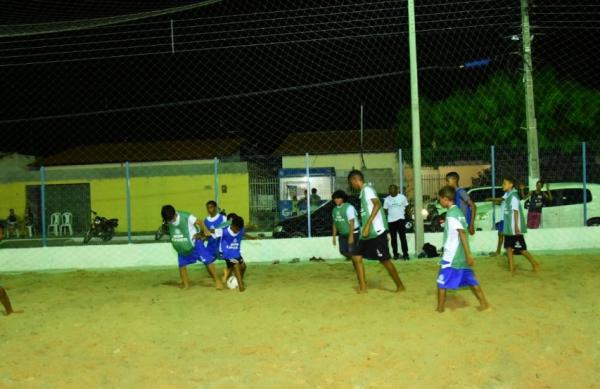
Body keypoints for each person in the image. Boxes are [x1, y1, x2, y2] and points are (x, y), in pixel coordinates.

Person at [347, 170, 405, 294]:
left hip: (376, 231)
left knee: (384, 260)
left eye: (351, 183)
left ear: (355, 180)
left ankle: (400, 285)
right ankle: (363, 287)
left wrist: (367, 225)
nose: (351, 186)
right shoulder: (363, 192)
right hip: (367, 233)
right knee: (356, 256)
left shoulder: (367, 190)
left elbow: (377, 204)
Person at [436, 186, 490, 313]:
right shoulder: (459, 212)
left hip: (452, 256)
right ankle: (484, 304)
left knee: (441, 282)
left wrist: (469, 254)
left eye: (440, 199)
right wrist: (466, 255)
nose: (439, 202)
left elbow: (462, 234)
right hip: (461, 255)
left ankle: (440, 309)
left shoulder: (452, 215)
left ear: (445, 199)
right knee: (471, 280)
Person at [161, 205, 222, 290]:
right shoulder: (167, 219)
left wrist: (203, 231)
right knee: (182, 265)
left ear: (175, 213)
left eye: (173, 218)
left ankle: (218, 281)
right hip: (181, 245)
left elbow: (200, 222)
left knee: (208, 261)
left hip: (195, 243)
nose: (172, 221)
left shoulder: (186, 216)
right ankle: (186, 284)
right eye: (170, 220)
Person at [502, 177, 540, 275]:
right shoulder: (507, 195)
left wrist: (516, 226)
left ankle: (535, 263)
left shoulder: (514, 196)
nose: (503, 185)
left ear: (511, 185)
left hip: (514, 227)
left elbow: (516, 212)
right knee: (508, 247)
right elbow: (502, 200)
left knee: (521, 249)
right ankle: (512, 267)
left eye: (505, 183)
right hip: (508, 227)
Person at [214, 215, 248, 292]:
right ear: (232, 225)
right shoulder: (224, 231)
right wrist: (200, 234)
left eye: (239, 229)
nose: (237, 231)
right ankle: (241, 286)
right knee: (236, 265)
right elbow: (211, 231)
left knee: (244, 267)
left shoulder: (241, 230)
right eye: (236, 229)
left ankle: (235, 279)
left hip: (236, 253)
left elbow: (243, 233)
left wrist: (252, 237)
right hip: (226, 254)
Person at [331, 190, 360, 260]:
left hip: (353, 232)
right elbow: (335, 223)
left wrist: (351, 236)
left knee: (351, 251)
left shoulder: (349, 207)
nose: (336, 200)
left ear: (343, 198)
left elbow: (352, 222)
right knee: (343, 251)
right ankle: (355, 260)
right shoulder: (334, 210)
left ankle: (356, 262)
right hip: (343, 234)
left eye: (339, 198)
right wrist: (334, 237)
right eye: (335, 198)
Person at [383, 184, 410, 260]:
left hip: (401, 219)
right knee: (393, 239)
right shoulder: (387, 199)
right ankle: (395, 254)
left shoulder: (402, 197)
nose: (391, 191)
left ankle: (405, 254)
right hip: (391, 221)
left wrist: (408, 217)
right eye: (390, 189)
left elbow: (407, 207)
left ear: (397, 189)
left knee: (403, 238)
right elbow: (385, 210)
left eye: (392, 189)